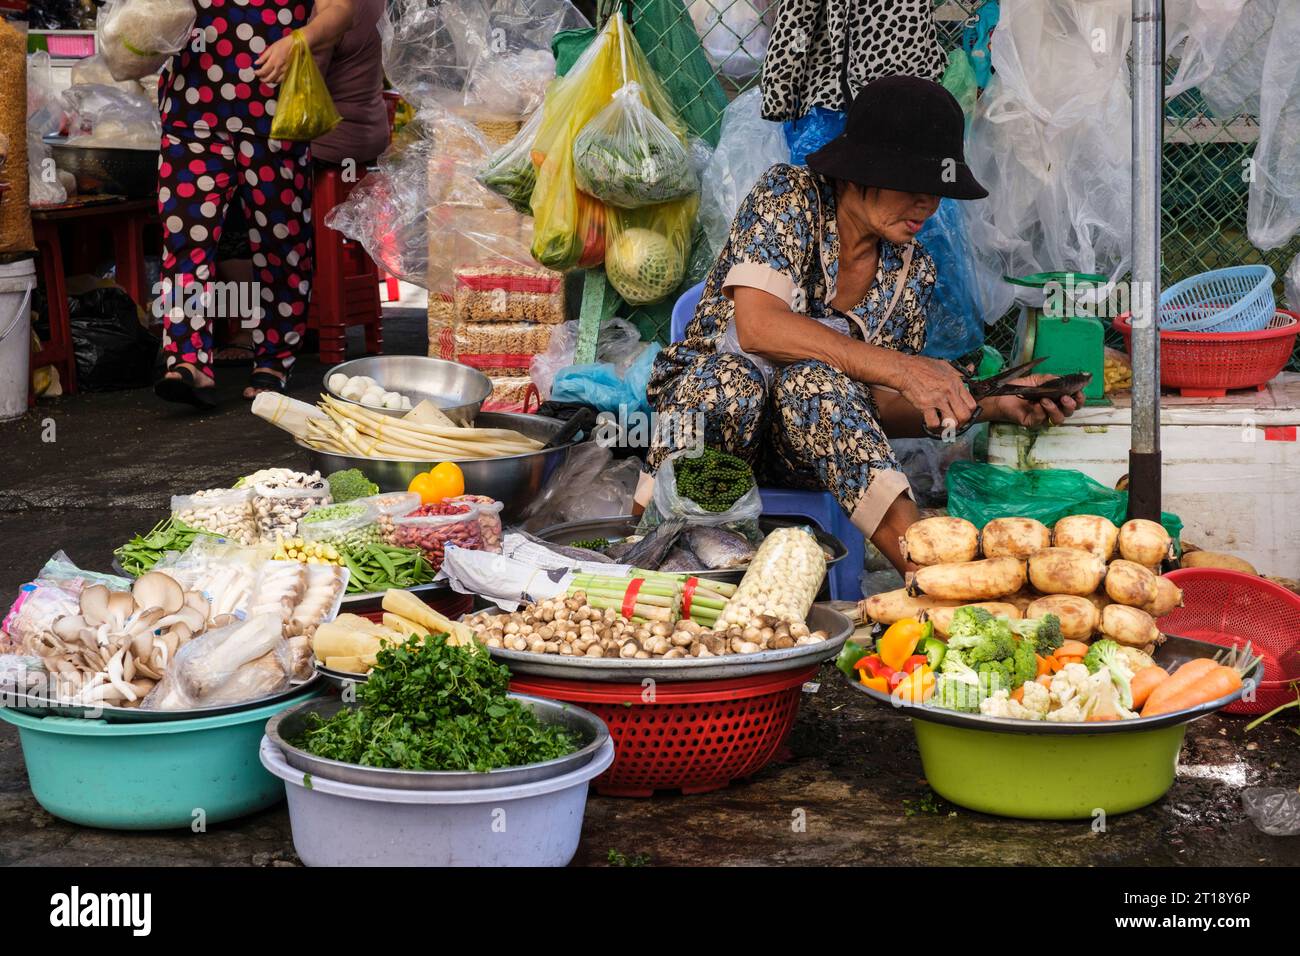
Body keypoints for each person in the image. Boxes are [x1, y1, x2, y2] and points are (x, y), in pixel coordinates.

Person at [648, 77, 1085, 573]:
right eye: (913, 185)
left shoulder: (910, 269)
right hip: (707, 426)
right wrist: (903, 368)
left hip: (799, 449)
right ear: (860, 173)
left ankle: (930, 572)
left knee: (814, 384)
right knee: (734, 382)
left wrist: (988, 403)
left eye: (937, 189)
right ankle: (646, 542)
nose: (929, 204)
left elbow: (875, 404)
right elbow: (758, 328)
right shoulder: (787, 199)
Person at [153, 0, 355, 410]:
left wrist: (298, 40)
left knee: (281, 242)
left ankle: (274, 361)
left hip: (276, 115)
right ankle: (188, 360)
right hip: (190, 111)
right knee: (184, 239)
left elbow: (340, 11)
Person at [208, 0, 388, 385]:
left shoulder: (328, 13)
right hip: (364, 128)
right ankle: (279, 324)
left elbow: (291, 81)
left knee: (234, 214)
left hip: (327, 134)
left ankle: (243, 331)